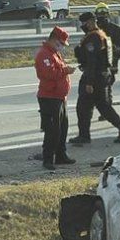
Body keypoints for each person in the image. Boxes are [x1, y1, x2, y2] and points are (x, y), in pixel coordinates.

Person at [69, 12, 120, 146]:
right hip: (103, 75)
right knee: (103, 106)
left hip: (94, 76)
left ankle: (84, 135)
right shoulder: (101, 34)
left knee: (83, 107)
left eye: (84, 23)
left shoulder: (93, 38)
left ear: (90, 22)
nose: (82, 26)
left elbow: (92, 61)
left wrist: (89, 82)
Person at [34, 26, 77, 170]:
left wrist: (64, 71)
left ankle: (60, 155)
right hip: (49, 97)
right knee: (52, 130)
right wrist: (66, 71)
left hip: (59, 97)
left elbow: (57, 70)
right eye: (61, 43)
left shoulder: (54, 53)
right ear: (54, 39)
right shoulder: (44, 54)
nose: (62, 47)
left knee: (62, 128)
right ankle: (48, 159)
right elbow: (48, 74)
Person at [94, 3, 120, 76]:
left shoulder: (117, 29)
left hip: (110, 62)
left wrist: (113, 51)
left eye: (104, 14)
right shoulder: (92, 29)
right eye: (100, 14)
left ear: (108, 14)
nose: (102, 17)